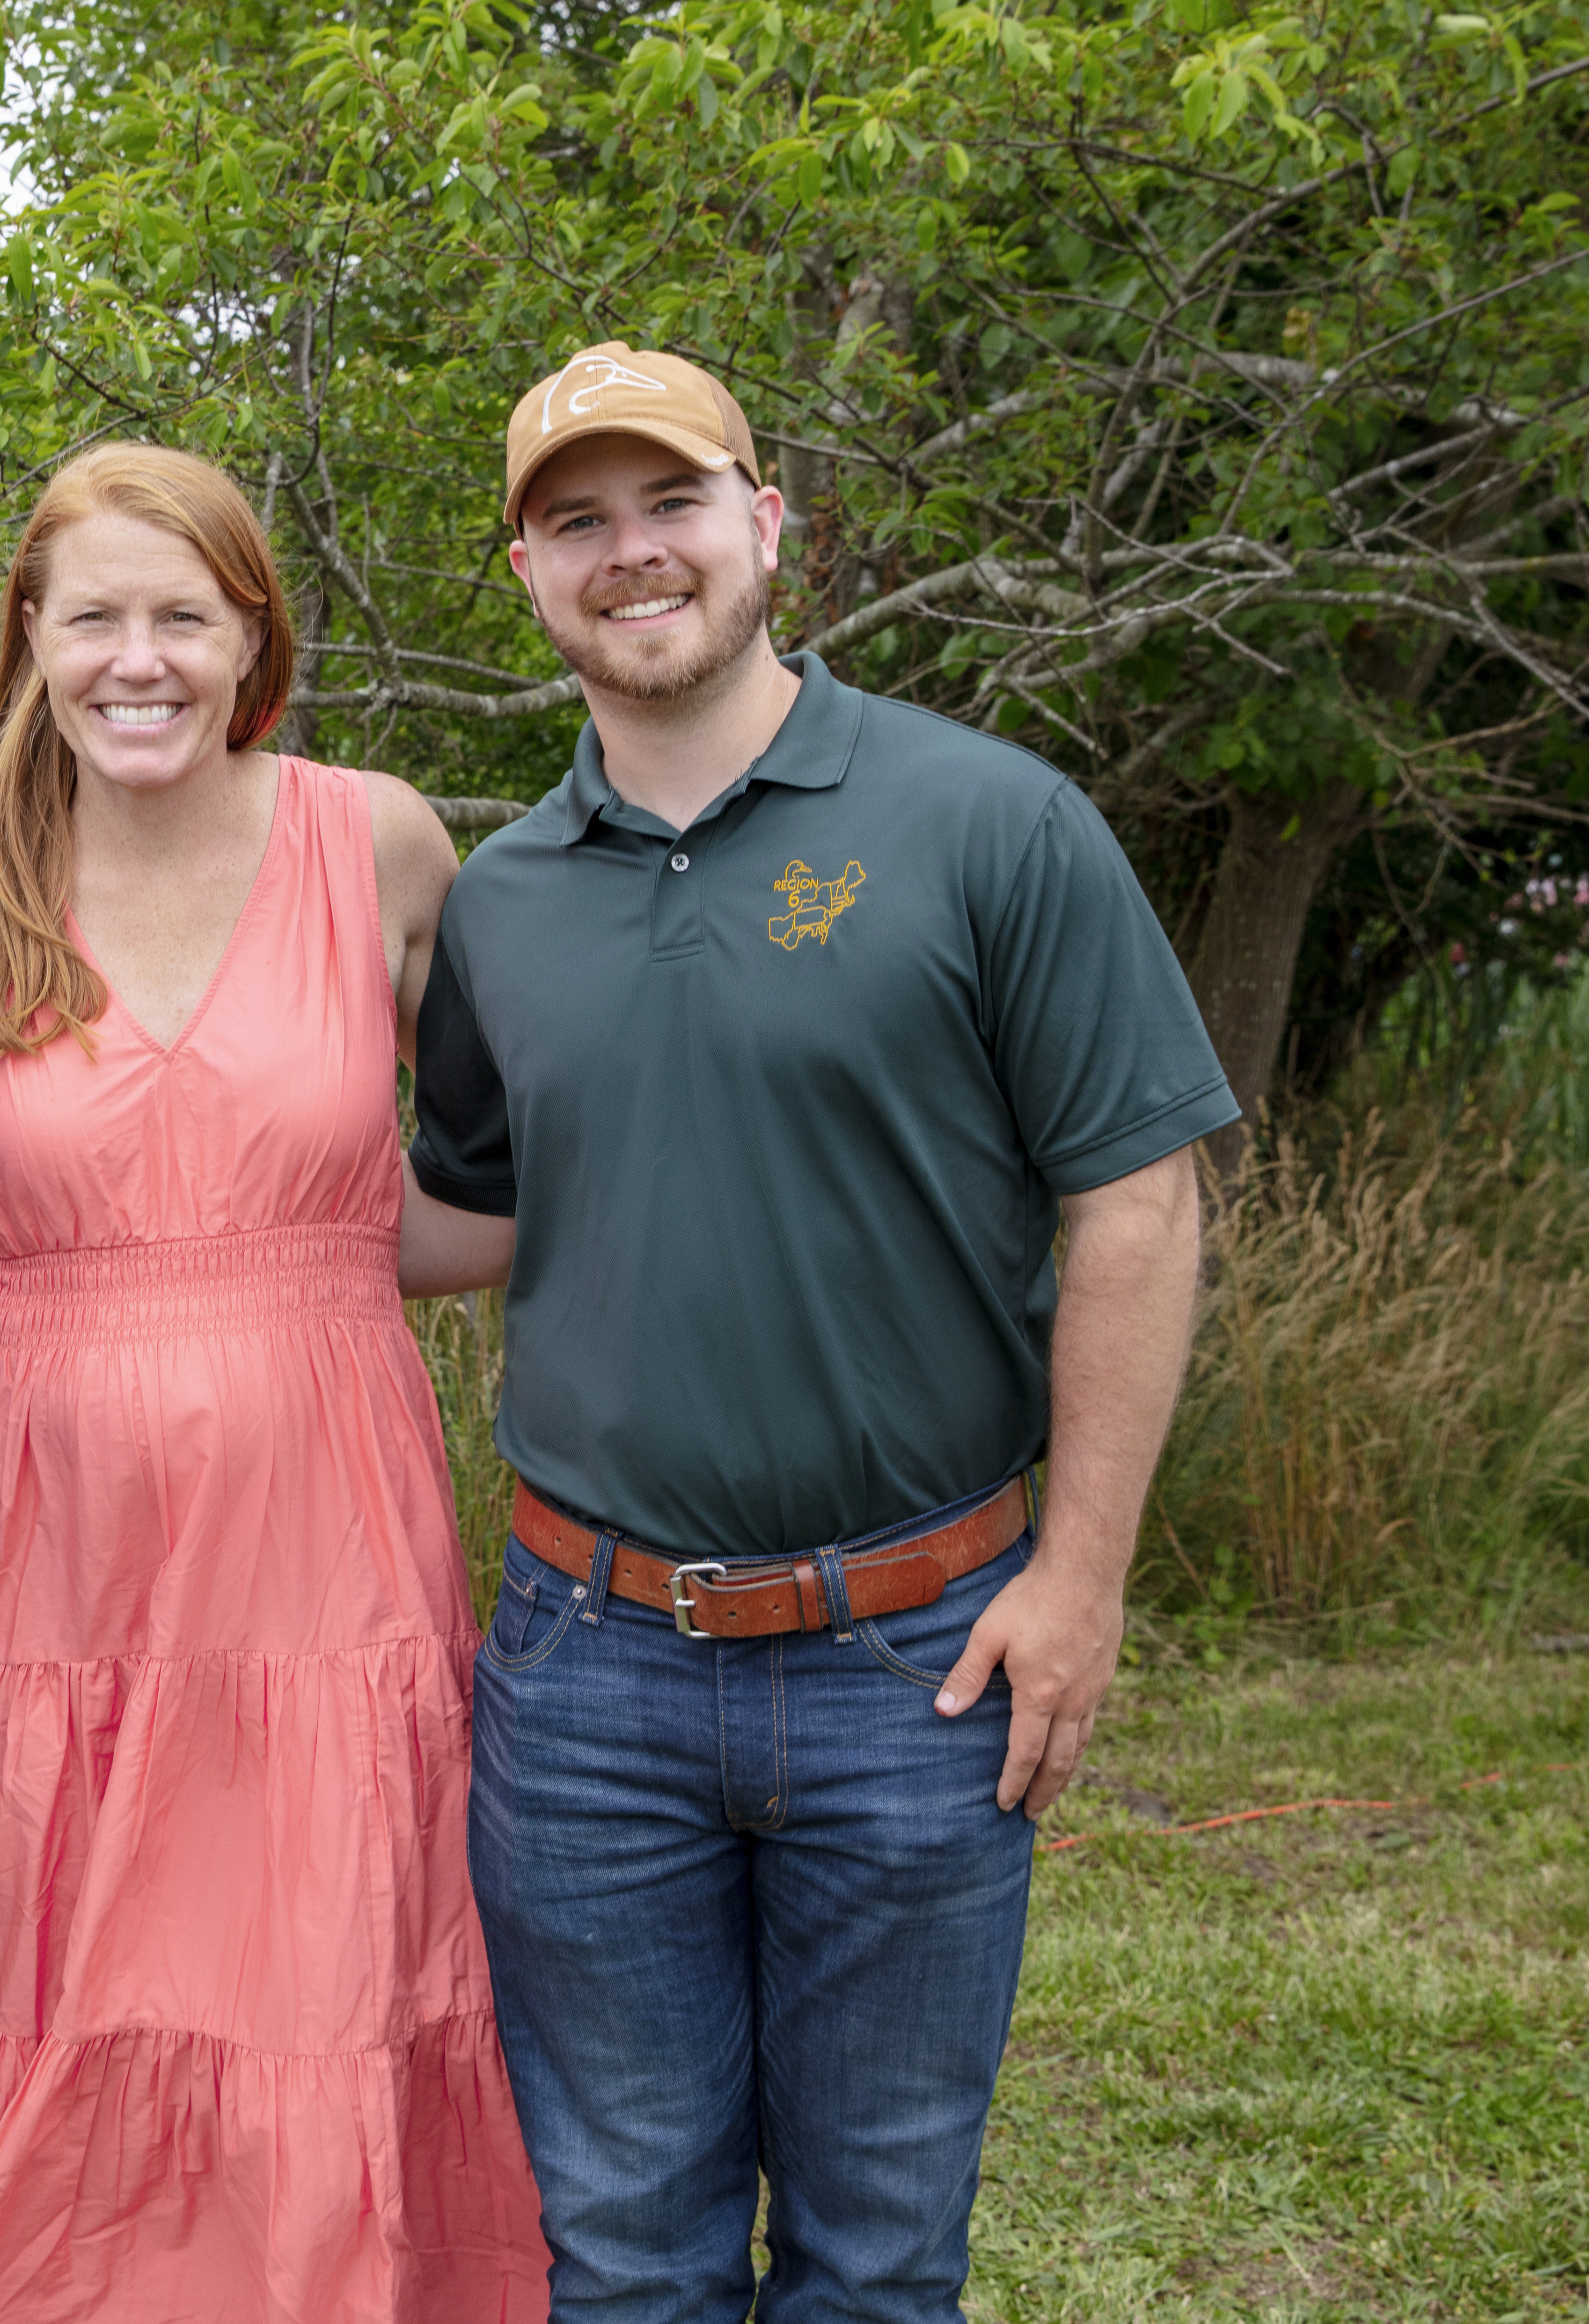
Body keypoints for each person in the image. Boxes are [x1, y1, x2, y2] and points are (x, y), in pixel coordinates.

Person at [408, 343, 1234, 2321]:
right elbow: (451, 1207)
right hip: (583, 1667)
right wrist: (118, 1215)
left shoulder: (984, 821)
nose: (631, 555)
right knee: (620, 2253)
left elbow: (1133, 1196)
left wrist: (1082, 1579)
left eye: (670, 502)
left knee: (876, 2257)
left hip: (920, 1660)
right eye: (574, 521)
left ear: (766, 523)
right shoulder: (503, 900)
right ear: (522, 572)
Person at [0, 444, 552, 2322]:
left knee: (316, 1962)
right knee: (64, 1968)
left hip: (323, 1526)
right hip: (52, 1546)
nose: (138, 660)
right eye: (94, 617)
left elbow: (505, 1172)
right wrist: (60, 1304)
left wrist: (273, 1273)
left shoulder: (373, 838)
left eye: (181, 617)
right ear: (29, 641)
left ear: (249, 639)